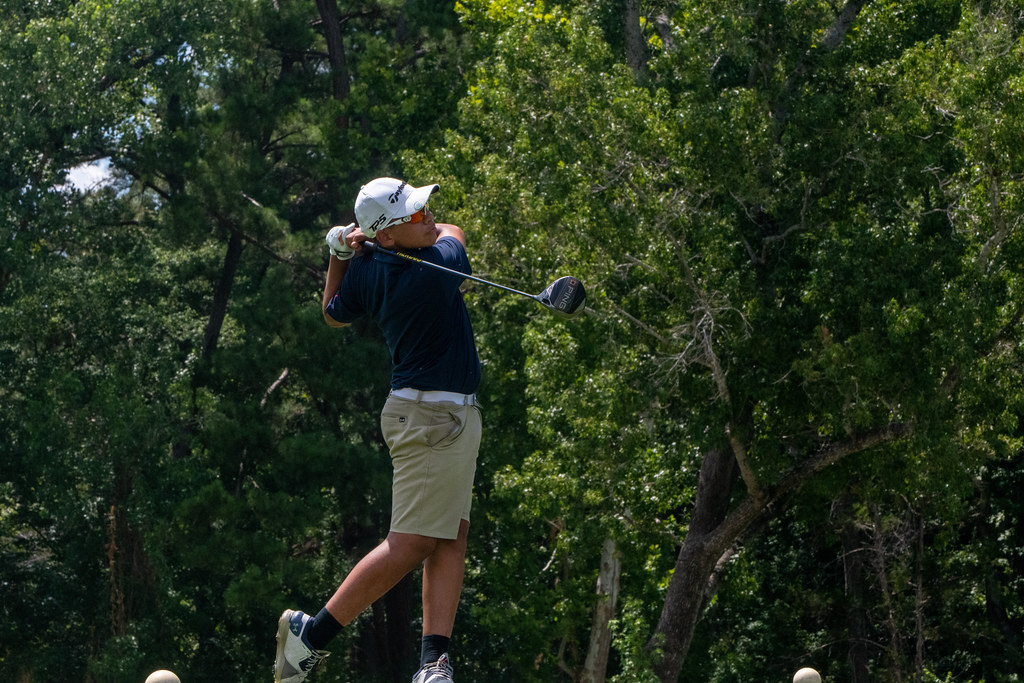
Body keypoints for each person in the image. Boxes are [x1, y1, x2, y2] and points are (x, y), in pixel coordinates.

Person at [274, 178, 482, 683]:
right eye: (414, 213)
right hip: (434, 419)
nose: (429, 214)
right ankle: (311, 637)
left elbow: (331, 312)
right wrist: (359, 246)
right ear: (386, 235)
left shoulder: (368, 267)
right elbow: (454, 233)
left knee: (450, 534)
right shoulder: (435, 268)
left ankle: (434, 662)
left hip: (435, 416)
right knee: (411, 543)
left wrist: (338, 253)